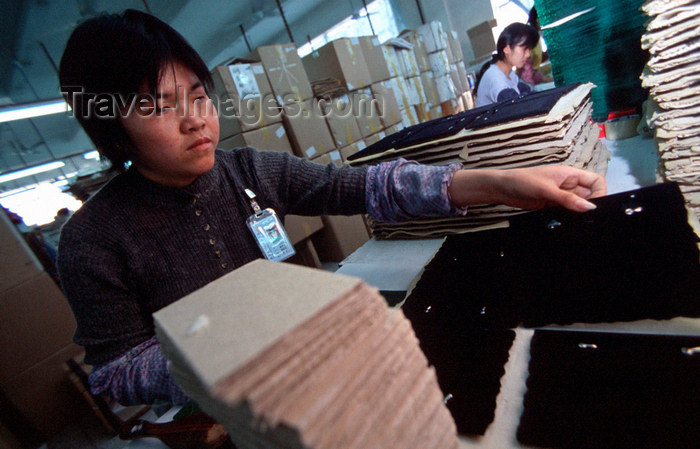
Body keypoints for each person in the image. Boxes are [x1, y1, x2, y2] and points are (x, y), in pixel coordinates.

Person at [57, 9, 606, 407]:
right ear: (112, 128)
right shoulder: (94, 240)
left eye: (199, 94)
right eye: (158, 106)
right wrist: (227, 354)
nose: (195, 119)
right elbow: (115, 372)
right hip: (227, 410)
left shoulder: (248, 171)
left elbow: (368, 188)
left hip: (312, 367)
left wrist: (502, 183)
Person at [475, 22, 539, 107]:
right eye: (524, 49)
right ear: (507, 49)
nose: (528, 54)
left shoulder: (511, 75)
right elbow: (516, 106)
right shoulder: (495, 77)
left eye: (529, 50)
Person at [517, 7, 554, 86]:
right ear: (537, 19)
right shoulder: (530, 37)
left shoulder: (536, 35)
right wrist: (531, 89)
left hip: (532, 77)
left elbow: (536, 58)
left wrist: (550, 53)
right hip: (527, 82)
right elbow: (526, 69)